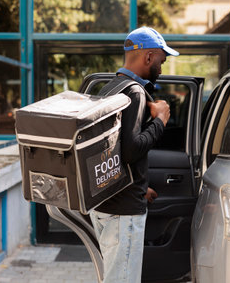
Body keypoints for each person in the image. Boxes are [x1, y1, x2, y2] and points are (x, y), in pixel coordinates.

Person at [89, 27, 179, 283]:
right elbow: (131, 150)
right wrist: (160, 121)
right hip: (123, 212)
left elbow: (112, 151)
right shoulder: (135, 93)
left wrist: (139, 187)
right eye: (162, 60)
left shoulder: (109, 88)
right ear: (148, 57)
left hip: (107, 203)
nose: (161, 68)